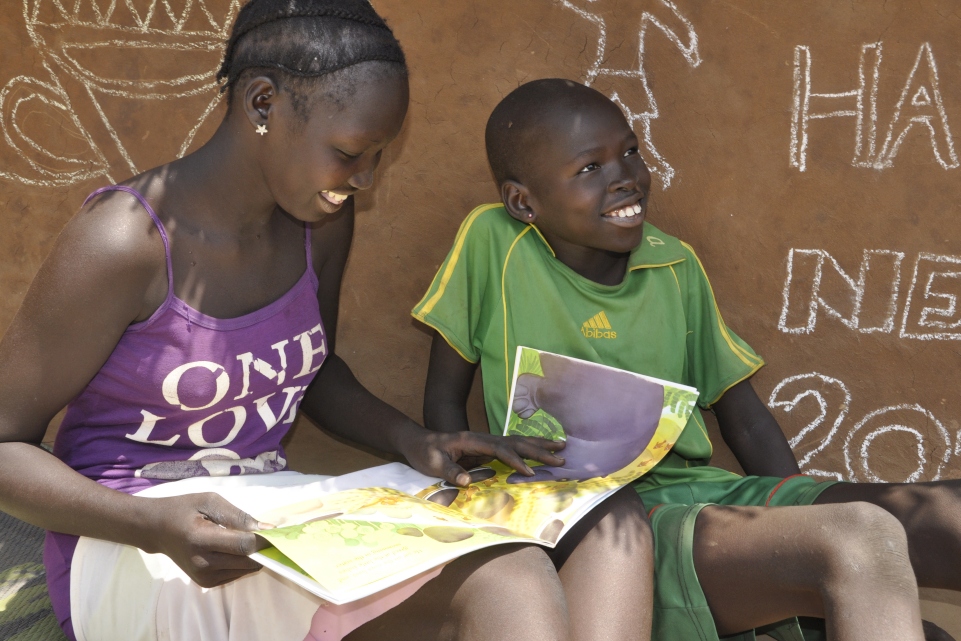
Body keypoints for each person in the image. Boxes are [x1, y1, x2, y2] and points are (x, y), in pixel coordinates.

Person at [0, 6, 655, 640]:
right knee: (504, 577)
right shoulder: (122, 241)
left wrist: (413, 439)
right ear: (263, 105)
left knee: (601, 518)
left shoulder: (320, 219)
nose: (366, 178)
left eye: (379, 153)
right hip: (136, 546)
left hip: (273, 512)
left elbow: (311, 369)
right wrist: (151, 523)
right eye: (351, 151)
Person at [415, 78, 961, 641]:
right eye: (590, 169)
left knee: (953, 515)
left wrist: (794, 520)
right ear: (523, 202)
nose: (624, 176)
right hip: (608, 521)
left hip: (705, 491)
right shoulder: (493, 243)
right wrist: (471, 489)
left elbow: (742, 414)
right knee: (860, 540)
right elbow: (443, 397)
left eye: (630, 151)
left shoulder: (673, 264)